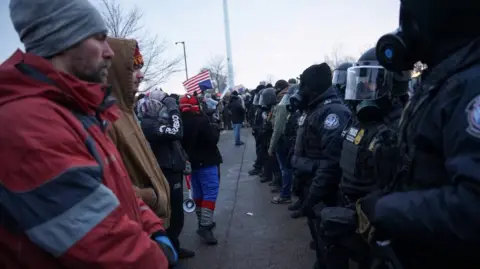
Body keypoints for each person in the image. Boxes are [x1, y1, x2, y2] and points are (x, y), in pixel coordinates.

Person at [0, 0, 177, 268]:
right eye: (99, 39)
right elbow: (101, 245)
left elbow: (118, 194)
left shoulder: (79, 110)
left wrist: (155, 230)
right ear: (64, 39)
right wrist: (158, 258)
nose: (109, 53)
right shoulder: (29, 123)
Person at [356, 0, 480, 268]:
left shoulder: (471, 86)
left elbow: (473, 207)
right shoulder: (443, 79)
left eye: (408, 22)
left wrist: (387, 209)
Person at [318, 48, 409, 269]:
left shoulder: (402, 129)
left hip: (379, 225)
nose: (362, 88)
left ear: (393, 84)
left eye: (370, 82)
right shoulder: (361, 120)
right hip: (353, 216)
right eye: (359, 81)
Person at [290, 63, 352, 269]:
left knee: (332, 246)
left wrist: (312, 198)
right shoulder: (314, 109)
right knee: (319, 240)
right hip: (311, 186)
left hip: (326, 193)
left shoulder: (333, 112)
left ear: (313, 88)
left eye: (303, 86)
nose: (300, 91)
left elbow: (330, 165)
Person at [106, 37, 171, 229]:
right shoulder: (108, 120)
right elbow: (109, 187)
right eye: (133, 69)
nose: (141, 75)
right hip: (139, 227)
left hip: (153, 223)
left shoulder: (128, 112)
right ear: (115, 72)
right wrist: (150, 196)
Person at [137, 89, 196, 260]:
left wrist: (183, 159)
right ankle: (167, 253)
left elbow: (175, 142)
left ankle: (174, 248)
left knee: (177, 215)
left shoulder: (157, 122)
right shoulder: (148, 125)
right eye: (160, 106)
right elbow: (176, 132)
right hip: (165, 174)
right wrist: (172, 107)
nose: (162, 109)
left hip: (173, 170)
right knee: (171, 215)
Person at [179, 94, 222, 245]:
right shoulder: (201, 120)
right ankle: (205, 225)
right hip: (207, 161)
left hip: (191, 163)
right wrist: (215, 127)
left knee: (198, 193)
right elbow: (212, 140)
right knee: (210, 192)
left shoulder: (179, 121)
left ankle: (202, 222)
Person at [269, 80, 294, 204]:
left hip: (282, 141)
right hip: (291, 140)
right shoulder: (291, 99)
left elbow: (277, 129)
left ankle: (285, 195)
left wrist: (271, 147)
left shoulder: (281, 105)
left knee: (285, 169)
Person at [258, 87, 282, 191]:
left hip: (273, 137)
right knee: (270, 159)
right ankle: (273, 178)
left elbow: (275, 125)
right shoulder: (268, 108)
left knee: (276, 161)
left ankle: (278, 182)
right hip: (267, 136)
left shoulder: (276, 107)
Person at [248, 85, 267, 176]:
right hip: (258, 131)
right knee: (260, 150)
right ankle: (261, 168)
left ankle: (261, 168)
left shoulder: (265, 108)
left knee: (262, 151)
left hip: (262, 133)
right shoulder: (259, 108)